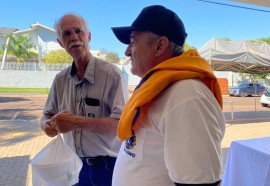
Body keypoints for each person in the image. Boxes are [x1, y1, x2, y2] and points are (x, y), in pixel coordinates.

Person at [111, 5, 225, 186]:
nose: (126, 51)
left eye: (133, 41)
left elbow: (199, 183)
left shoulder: (187, 96)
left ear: (160, 46)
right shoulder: (161, 89)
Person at [40, 13, 129, 186]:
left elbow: (121, 125)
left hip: (107, 167)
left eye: (78, 31)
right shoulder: (60, 80)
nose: (74, 37)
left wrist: (76, 122)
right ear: (60, 42)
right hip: (72, 165)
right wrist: (46, 126)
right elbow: (46, 115)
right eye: (66, 34)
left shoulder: (112, 75)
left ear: (88, 36)